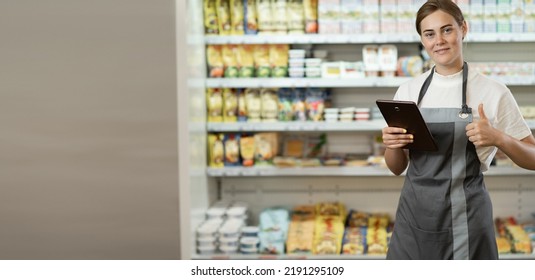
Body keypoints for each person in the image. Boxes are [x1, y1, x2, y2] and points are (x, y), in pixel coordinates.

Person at [382, 0, 535, 260]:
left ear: (463, 29)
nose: (439, 40)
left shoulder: (493, 91)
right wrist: (391, 145)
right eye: (429, 34)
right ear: (422, 39)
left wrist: (499, 138)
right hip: (413, 219)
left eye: (447, 30)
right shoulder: (408, 92)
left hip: (467, 220)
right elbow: (397, 167)